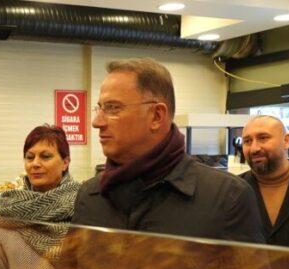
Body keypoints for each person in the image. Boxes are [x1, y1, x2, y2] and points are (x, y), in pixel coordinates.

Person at [72, 57, 263, 243]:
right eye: (100, 108)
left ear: (157, 116)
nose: (97, 122)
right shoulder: (90, 196)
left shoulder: (227, 198)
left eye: (113, 108)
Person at [0, 125, 81, 269]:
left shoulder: (82, 204)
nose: (35, 164)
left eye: (45, 156)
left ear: (65, 163)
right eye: (29, 157)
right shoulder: (8, 210)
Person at [239, 115, 289, 248]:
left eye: (263, 138)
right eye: (247, 141)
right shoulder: (233, 190)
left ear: (286, 141)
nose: (254, 148)